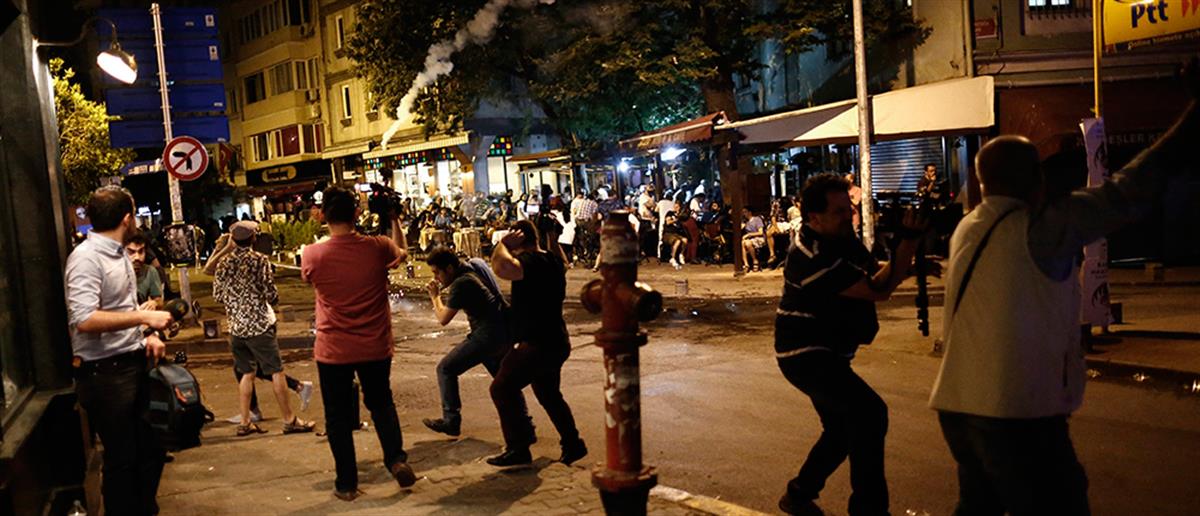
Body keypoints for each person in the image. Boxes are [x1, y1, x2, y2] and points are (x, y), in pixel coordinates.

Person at [929, 92, 1197, 515]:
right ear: (1037, 179)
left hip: (958, 408)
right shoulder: (1040, 229)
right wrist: (1193, 116)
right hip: (1014, 414)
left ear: (983, 182)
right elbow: (1128, 192)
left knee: (980, 506)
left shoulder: (969, 227)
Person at [775, 174, 927, 516]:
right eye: (839, 211)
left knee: (842, 430)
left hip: (830, 352)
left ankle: (798, 494)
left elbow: (876, 275)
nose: (849, 216)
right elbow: (877, 290)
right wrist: (908, 244)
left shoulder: (843, 240)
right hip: (804, 354)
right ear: (814, 218)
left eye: (849, 209)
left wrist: (907, 256)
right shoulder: (810, 255)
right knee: (869, 414)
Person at [301, 186, 417, 500]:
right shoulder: (378, 247)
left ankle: (347, 484)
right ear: (356, 213)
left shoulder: (312, 254)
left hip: (333, 348)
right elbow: (402, 252)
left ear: (322, 215)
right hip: (375, 345)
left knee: (337, 416)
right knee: (381, 404)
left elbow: (309, 278)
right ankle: (396, 460)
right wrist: (394, 219)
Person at [66, 186, 174, 516]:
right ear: (127, 219)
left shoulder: (119, 255)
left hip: (131, 362)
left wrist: (147, 335)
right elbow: (84, 319)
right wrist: (144, 318)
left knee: (151, 450)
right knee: (122, 460)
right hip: (104, 374)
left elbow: (122, 311)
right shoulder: (86, 259)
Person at [486, 219, 587, 467]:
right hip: (555, 340)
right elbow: (561, 261)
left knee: (502, 388)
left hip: (536, 343)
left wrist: (502, 244)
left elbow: (501, 267)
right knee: (549, 394)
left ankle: (518, 447)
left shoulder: (530, 262)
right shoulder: (552, 260)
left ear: (519, 238)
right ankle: (573, 443)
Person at [213, 220, 316, 437]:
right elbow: (270, 294)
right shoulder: (260, 261)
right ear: (253, 238)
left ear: (233, 240)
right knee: (276, 371)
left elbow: (218, 296)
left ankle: (245, 421)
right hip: (260, 325)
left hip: (236, 327)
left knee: (246, 373)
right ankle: (289, 420)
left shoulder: (223, 263)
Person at [422, 248, 532, 437]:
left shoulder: (461, 283)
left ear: (449, 268)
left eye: (437, 272)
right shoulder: (473, 267)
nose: (436, 278)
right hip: (500, 332)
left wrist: (435, 296)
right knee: (505, 382)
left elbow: (443, 318)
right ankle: (525, 425)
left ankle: (451, 421)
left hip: (486, 337)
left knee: (445, 369)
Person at [126, 233, 164, 308]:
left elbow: (159, 301)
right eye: (131, 252)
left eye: (141, 252)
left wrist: (154, 303)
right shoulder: (111, 273)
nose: (137, 257)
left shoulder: (150, 271)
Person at [740, 207, 767, 272]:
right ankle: (746, 264)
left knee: (747, 243)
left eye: (745, 212)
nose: (744, 214)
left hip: (759, 238)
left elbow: (760, 232)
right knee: (743, 242)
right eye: (743, 212)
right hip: (750, 239)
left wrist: (749, 234)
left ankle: (755, 260)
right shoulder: (746, 222)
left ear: (750, 212)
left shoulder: (757, 219)